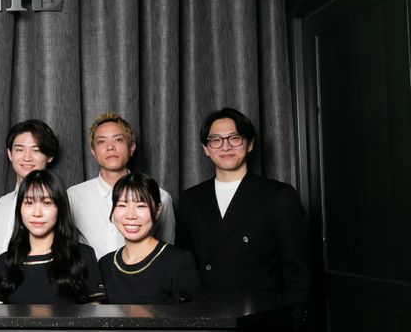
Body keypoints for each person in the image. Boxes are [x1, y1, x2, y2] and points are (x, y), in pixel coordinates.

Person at [175, 107, 310, 306]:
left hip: (261, 314)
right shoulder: (190, 199)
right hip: (206, 312)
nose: (225, 146)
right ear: (206, 148)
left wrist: (292, 320)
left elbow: (298, 272)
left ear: (250, 144)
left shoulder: (278, 195)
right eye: (216, 140)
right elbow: (183, 267)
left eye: (235, 138)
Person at [68, 112, 176, 261]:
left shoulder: (160, 197)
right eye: (101, 142)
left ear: (131, 147)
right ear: (93, 152)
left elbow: (167, 252)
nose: (110, 147)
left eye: (118, 140)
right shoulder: (73, 196)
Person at [0, 170, 103, 304]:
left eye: (47, 203)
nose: (37, 213)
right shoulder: (3, 262)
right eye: (29, 203)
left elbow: (95, 313)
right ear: (19, 209)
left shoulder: (83, 256)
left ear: (60, 208)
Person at [99, 173, 200, 304]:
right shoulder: (105, 264)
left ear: (157, 210)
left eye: (141, 206)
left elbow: (194, 315)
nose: (130, 215)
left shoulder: (179, 262)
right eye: (122, 205)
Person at [0, 119, 59, 265]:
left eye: (36, 150)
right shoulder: (2, 204)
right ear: (10, 154)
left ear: (50, 156)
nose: (27, 158)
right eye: (20, 150)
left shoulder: (59, 202)